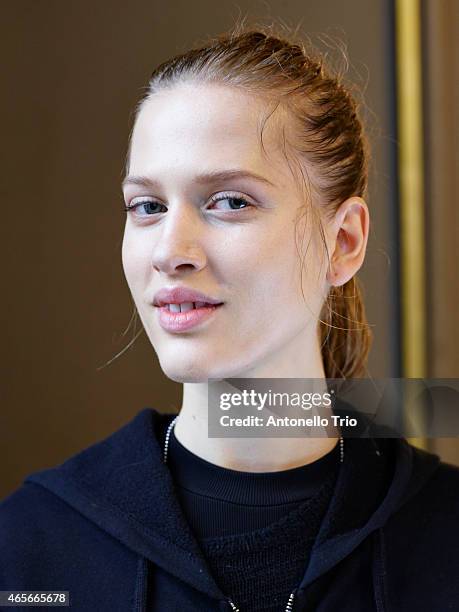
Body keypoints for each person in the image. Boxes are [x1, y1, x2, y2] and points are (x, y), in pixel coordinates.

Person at [1, 26, 459, 612]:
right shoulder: (29, 549)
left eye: (230, 202)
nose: (171, 250)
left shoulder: (446, 537)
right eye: (148, 206)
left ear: (343, 242)